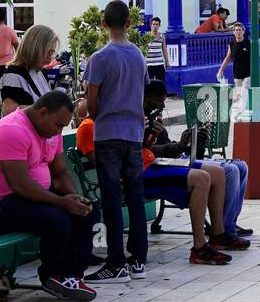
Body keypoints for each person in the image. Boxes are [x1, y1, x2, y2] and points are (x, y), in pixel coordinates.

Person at [78, 105, 246, 264]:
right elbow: (107, 166)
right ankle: (199, 246)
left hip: (150, 163)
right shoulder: (89, 127)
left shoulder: (113, 122)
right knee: (201, 178)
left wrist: (147, 135)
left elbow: (140, 149)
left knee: (217, 173)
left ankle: (218, 234)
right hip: (137, 173)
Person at [0, 91, 99, 301]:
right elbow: (20, 185)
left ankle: (71, 274)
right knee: (57, 218)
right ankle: (53, 275)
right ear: (43, 112)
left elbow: (60, 173)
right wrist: (61, 202)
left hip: (34, 199)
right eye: (58, 125)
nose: (59, 131)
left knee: (88, 211)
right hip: (2, 205)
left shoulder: (50, 133)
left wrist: (74, 198)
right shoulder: (11, 130)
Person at [83, 0, 149, 285]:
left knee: (111, 199)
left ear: (103, 23)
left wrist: (99, 113)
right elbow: (142, 93)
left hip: (108, 133)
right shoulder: (138, 55)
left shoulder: (100, 58)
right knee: (134, 197)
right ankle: (138, 260)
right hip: (134, 133)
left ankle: (115, 263)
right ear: (129, 24)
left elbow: (91, 102)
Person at [143, 79, 252, 238]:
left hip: (174, 160)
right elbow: (149, 151)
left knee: (241, 166)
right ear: (147, 97)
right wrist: (173, 144)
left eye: (163, 102)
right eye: (158, 101)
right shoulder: (140, 121)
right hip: (156, 166)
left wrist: (194, 143)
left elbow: (169, 148)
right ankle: (223, 229)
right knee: (229, 171)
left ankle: (229, 222)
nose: (162, 106)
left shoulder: (154, 120)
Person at [0, 24, 59, 117]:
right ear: (34, 48)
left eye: (52, 52)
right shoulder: (13, 76)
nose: (50, 57)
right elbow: (10, 113)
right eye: (48, 51)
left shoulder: (40, 72)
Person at [216, 22, 252, 112]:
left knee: (244, 90)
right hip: (237, 72)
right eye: (236, 30)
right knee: (240, 93)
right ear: (233, 32)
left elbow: (255, 58)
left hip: (248, 72)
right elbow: (228, 57)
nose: (238, 32)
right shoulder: (231, 44)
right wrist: (220, 70)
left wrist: (258, 69)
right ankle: (246, 108)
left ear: (243, 31)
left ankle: (242, 110)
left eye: (240, 30)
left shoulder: (249, 43)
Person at [145, 17, 168, 85]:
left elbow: (164, 50)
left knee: (161, 83)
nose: (155, 26)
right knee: (149, 84)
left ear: (159, 25)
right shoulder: (146, 36)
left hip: (159, 63)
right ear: (151, 25)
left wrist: (167, 62)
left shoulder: (162, 36)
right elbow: (143, 49)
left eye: (156, 24)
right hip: (149, 64)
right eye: (153, 24)